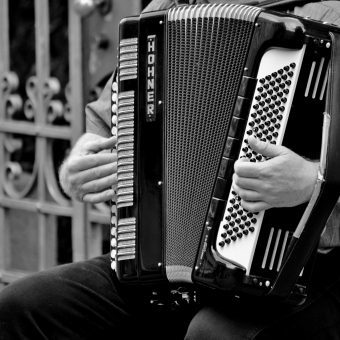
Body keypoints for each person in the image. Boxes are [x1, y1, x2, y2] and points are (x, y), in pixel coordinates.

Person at [1, 0, 340, 339]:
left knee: (213, 333)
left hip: (303, 270)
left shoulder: (331, 17)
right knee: (22, 305)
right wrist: (76, 170)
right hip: (161, 269)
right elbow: (100, 135)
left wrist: (314, 182)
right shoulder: (168, 10)